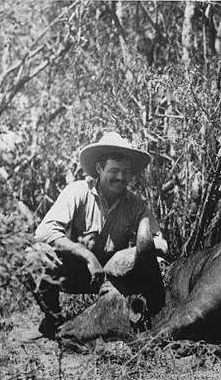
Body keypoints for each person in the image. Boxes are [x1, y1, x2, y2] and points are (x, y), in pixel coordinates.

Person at [24, 132, 168, 340]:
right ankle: (52, 320)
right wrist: (87, 256)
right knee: (35, 256)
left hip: (112, 279)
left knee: (115, 328)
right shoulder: (77, 192)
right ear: (99, 169)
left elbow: (160, 243)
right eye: (114, 170)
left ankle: (128, 321)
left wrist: (127, 255)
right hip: (73, 270)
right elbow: (44, 232)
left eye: (126, 172)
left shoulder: (137, 205)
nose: (121, 177)